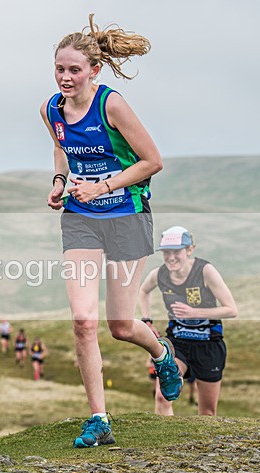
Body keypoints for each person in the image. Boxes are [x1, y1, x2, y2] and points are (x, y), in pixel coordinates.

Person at [41, 14, 181, 448]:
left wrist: (102, 186)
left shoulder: (111, 105)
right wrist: (60, 182)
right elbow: (62, 149)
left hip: (126, 216)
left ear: (94, 70)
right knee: (84, 321)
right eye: (60, 69)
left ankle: (161, 352)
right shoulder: (51, 109)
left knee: (120, 324)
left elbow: (152, 161)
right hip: (80, 219)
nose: (66, 78)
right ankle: (99, 419)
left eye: (74, 70)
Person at [139, 226, 237, 416]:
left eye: (176, 252)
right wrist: (147, 321)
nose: (171, 257)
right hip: (177, 343)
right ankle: (164, 434)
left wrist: (194, 312)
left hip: (208, 344)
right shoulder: (160, 274)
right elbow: (143, 291)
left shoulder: (205, 271)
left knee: (207, 411)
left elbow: (231, 310)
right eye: (166, 252)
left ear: (189, 250)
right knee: (162, 396)